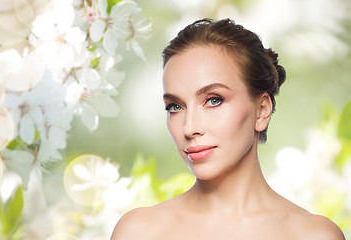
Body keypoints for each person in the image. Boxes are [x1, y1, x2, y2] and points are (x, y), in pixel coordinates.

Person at [111, 18, 345, 239]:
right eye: (175, 107)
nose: (189, 127)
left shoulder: (314, 235)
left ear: (262, 110)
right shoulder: (139, 232)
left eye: (213, 100)